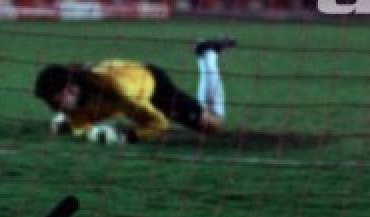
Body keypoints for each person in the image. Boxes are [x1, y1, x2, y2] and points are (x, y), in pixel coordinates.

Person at [33, 38, 234, 144]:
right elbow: (81, 123)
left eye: (58, 100)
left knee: (212, 125)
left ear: (71, 89)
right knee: (63, 124)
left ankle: (208, 55)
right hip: (126, 76)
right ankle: (206, 54)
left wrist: (127, 138)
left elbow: (158, 124)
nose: (57, 105)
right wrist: (85, 129)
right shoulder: (76, 91)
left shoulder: (119, 92)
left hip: (152, 87)